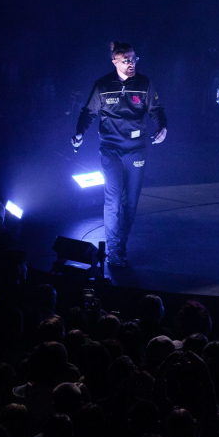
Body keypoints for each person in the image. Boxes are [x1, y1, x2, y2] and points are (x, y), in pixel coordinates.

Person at [72, 41, 167, 268]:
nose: (131, 63)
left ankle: (120, 245)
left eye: (134, 59)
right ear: (114, 61)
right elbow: (88, 112)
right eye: (126, 60)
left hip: (136, 149)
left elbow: (156, 109)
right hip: (111, 148)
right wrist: (79, 132)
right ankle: (114, 250)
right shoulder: (103, 85)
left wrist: (162, 126)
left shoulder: (144, 83)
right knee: (113, 200)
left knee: (130, 203)